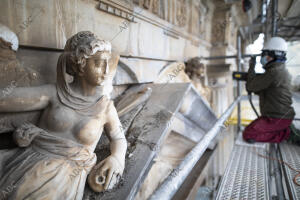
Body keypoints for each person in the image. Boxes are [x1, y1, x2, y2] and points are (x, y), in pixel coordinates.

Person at [0, 31, 127, 199]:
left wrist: (117, 158)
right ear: (80, 65)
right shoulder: (54, 93)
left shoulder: (106, 107)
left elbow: (119, 138)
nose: (105, 70)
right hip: (31, 161)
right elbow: (5, 100)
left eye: (106, 63)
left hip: (68, 173)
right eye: (98, 63)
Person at [243, 37, 296, 143]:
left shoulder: (274, 72)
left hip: (276, 118)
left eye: (264, 54)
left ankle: (287, 134)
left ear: (272, 56)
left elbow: (251, 87)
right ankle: (284, 130)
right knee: (253, 129)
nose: (263, 58)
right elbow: (262, 89)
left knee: (248, 134)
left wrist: (252, 66)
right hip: (279, 117)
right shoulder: (278, 70)